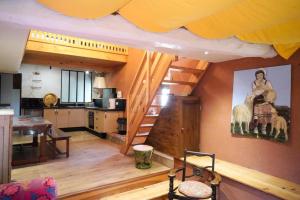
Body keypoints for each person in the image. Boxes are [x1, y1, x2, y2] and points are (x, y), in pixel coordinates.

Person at [251, 69, 274, 135]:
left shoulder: (267, 82)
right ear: (256, 76)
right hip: (257, 99)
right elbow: (254, 92)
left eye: (261, 75)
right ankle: (255, 128)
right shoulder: (254, 82)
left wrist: (266, 94)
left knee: (265, 116)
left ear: (263, 75)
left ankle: (263, 129)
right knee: (256, 116)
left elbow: (271, 90)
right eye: (257, 75)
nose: (259, 76)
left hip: (266, 99)